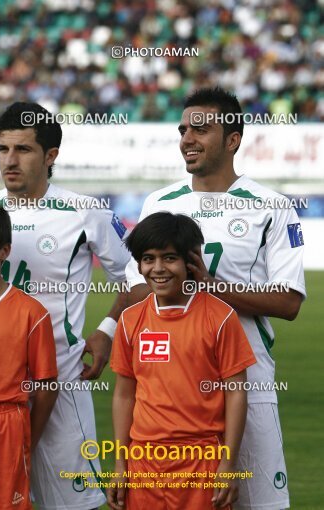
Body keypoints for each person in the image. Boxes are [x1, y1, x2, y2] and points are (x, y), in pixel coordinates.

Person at [125, 87, 306, 510]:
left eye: (200, 129)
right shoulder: (160, 203)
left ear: (233, 139)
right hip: (176, 396)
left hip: (250, 384)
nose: (187, 138)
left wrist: (209, 286)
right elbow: (141, 290)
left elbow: (289, 303)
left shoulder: (272, 207)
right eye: (183, 129)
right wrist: (108, 328)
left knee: (260, 505)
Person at [0, 102, 131, 510]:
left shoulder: (87, 212)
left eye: (24, 150)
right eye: (3, 149)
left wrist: (106, 331)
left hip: (62, 384)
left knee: (72, 504)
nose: (9, 161)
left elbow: (137, 279)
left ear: (51, 156)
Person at [108, 212, 256, 510]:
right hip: (143, 463)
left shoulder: (220, 317)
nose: (158, 268)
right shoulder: (130, 319)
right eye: (148, 259)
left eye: (169, 258)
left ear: (191, 261)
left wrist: (228, 465)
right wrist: (120, 464)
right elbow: (125, 394)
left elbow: (237, 393)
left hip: (201, 461)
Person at [0, 199, 58, 510]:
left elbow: (46, 387)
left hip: (5, 428)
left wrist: (26, 437)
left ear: (4, 251)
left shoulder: (31, 313)